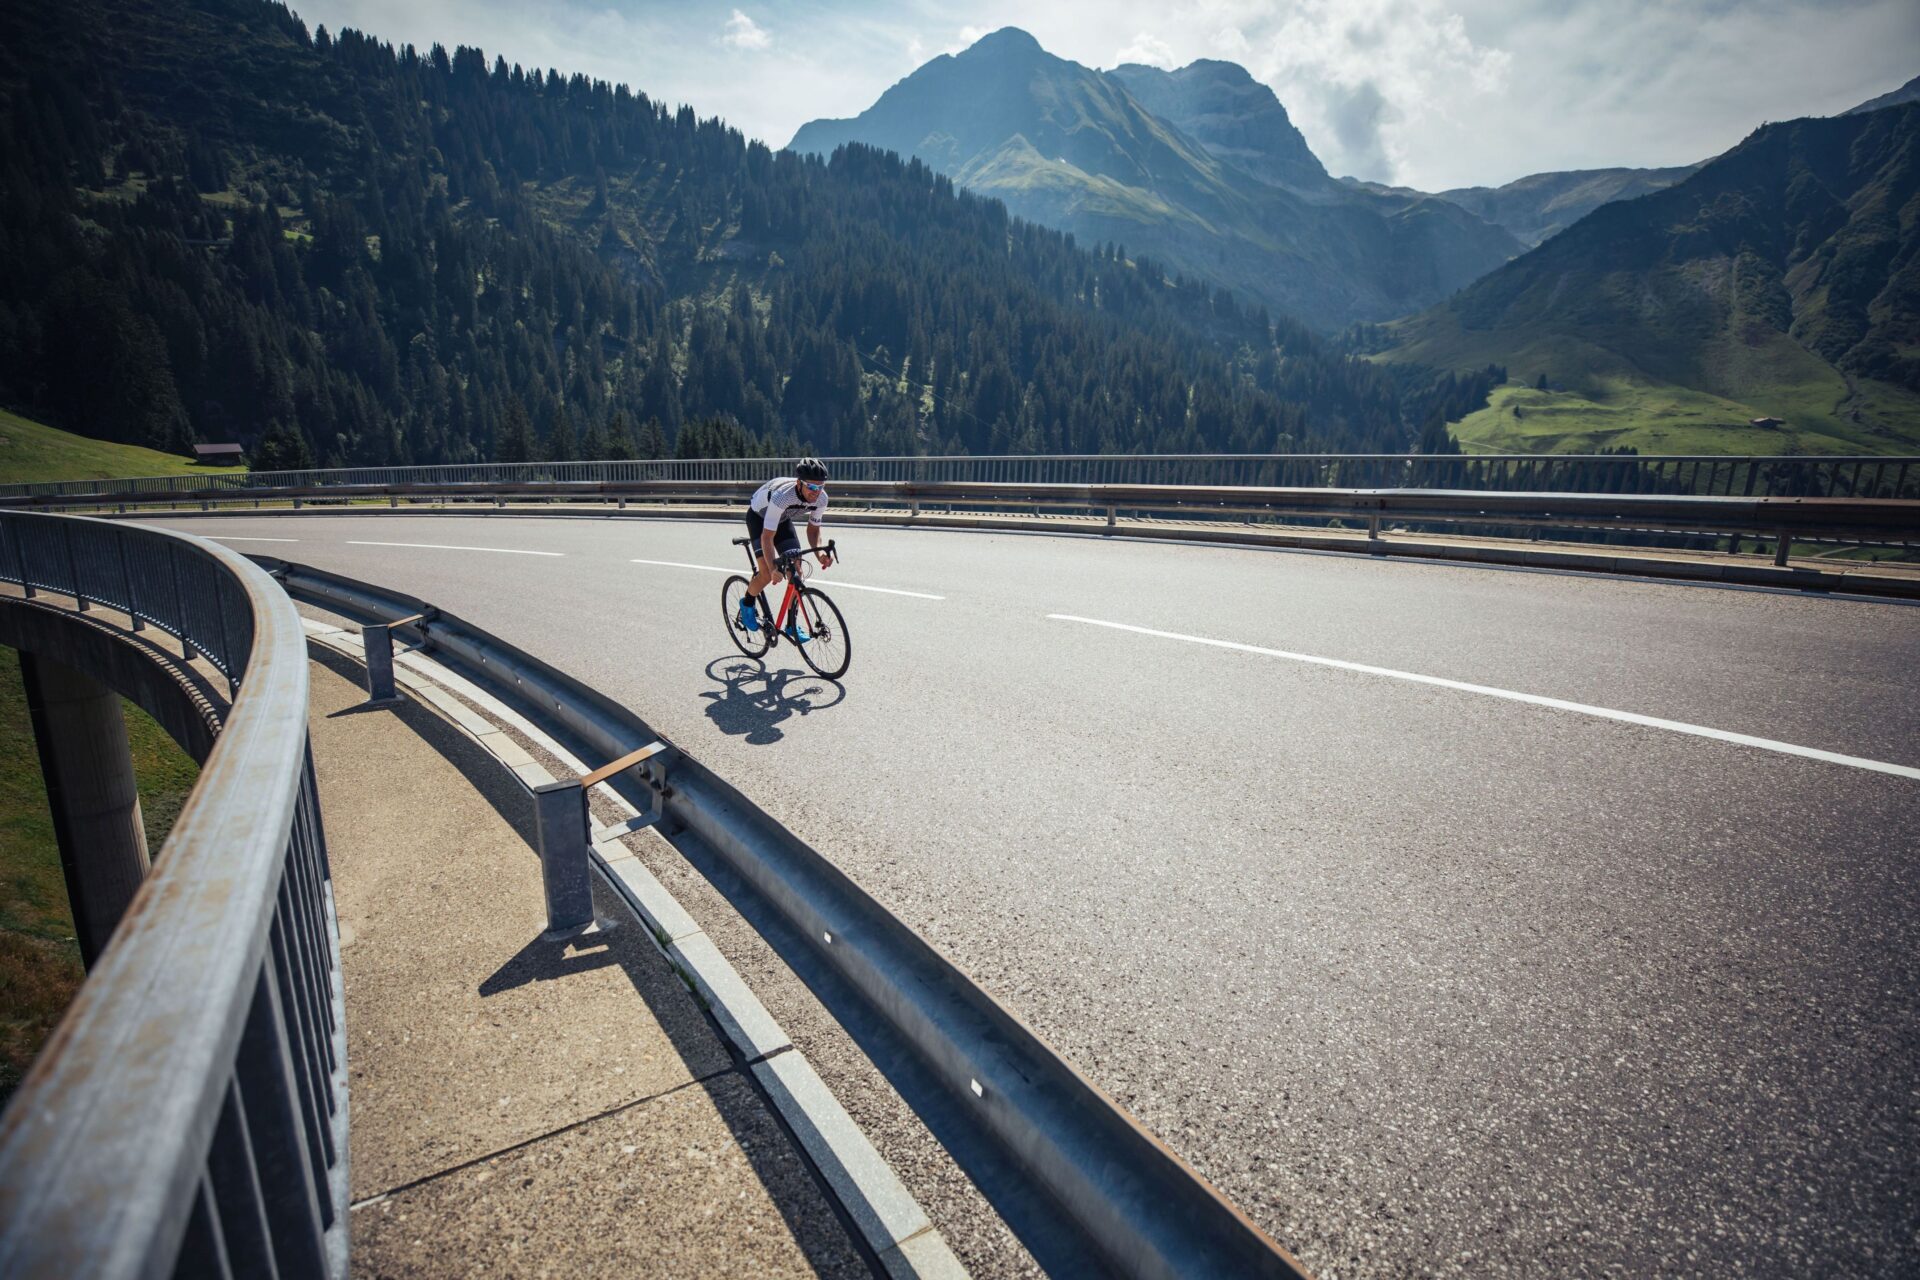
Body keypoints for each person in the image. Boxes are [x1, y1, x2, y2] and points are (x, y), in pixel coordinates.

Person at [737, 457, 834, 638]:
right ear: (799, 483)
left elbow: (813, 530)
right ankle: (747, 604)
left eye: (821, 487)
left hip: (782, 520)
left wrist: (820, 554)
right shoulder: (783, 497)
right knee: (766, 573)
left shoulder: (822, 499)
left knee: (796, 573)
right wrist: (773, 568)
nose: (816, 492)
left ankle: (791, 625)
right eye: (812, 487)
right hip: (759, 518)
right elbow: (767, 537)